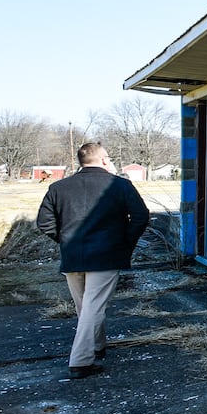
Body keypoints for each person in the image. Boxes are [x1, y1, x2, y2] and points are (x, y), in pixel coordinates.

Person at [36, 142, 151, 379]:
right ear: (104, 159)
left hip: (72, 256)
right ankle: (80, 362)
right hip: (107, 256)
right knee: (92, 308)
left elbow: (44, 223)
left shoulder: (58, 188)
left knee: (86, 308)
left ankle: (98, 347)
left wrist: (66, 240)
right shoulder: (120, 186)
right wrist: (124, 243)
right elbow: (141, 216)